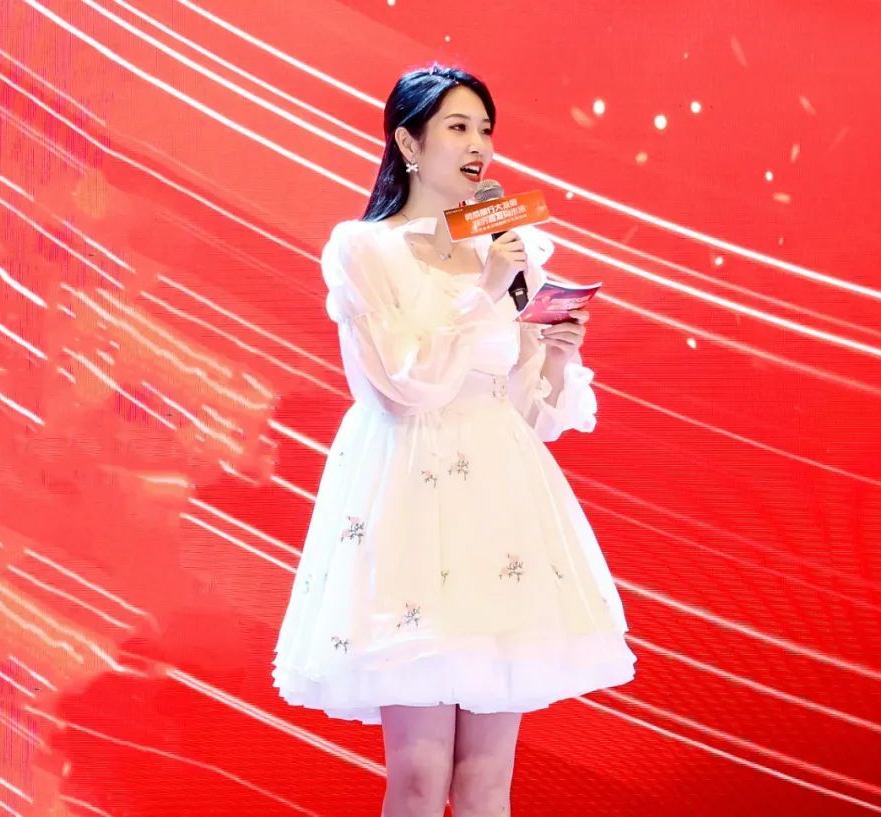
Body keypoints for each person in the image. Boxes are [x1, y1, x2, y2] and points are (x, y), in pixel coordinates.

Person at [273, 64, 636, 816]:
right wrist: (481, 291)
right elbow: (401, 388)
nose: (479, 146)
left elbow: (526, 416)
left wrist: (555, 354)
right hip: (410, 503)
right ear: (409, 142)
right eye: (458, 127)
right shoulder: (365, 249)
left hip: (497, 510)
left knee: (486, 780)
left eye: (486, 130)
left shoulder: (509, 245)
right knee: (418, 774)